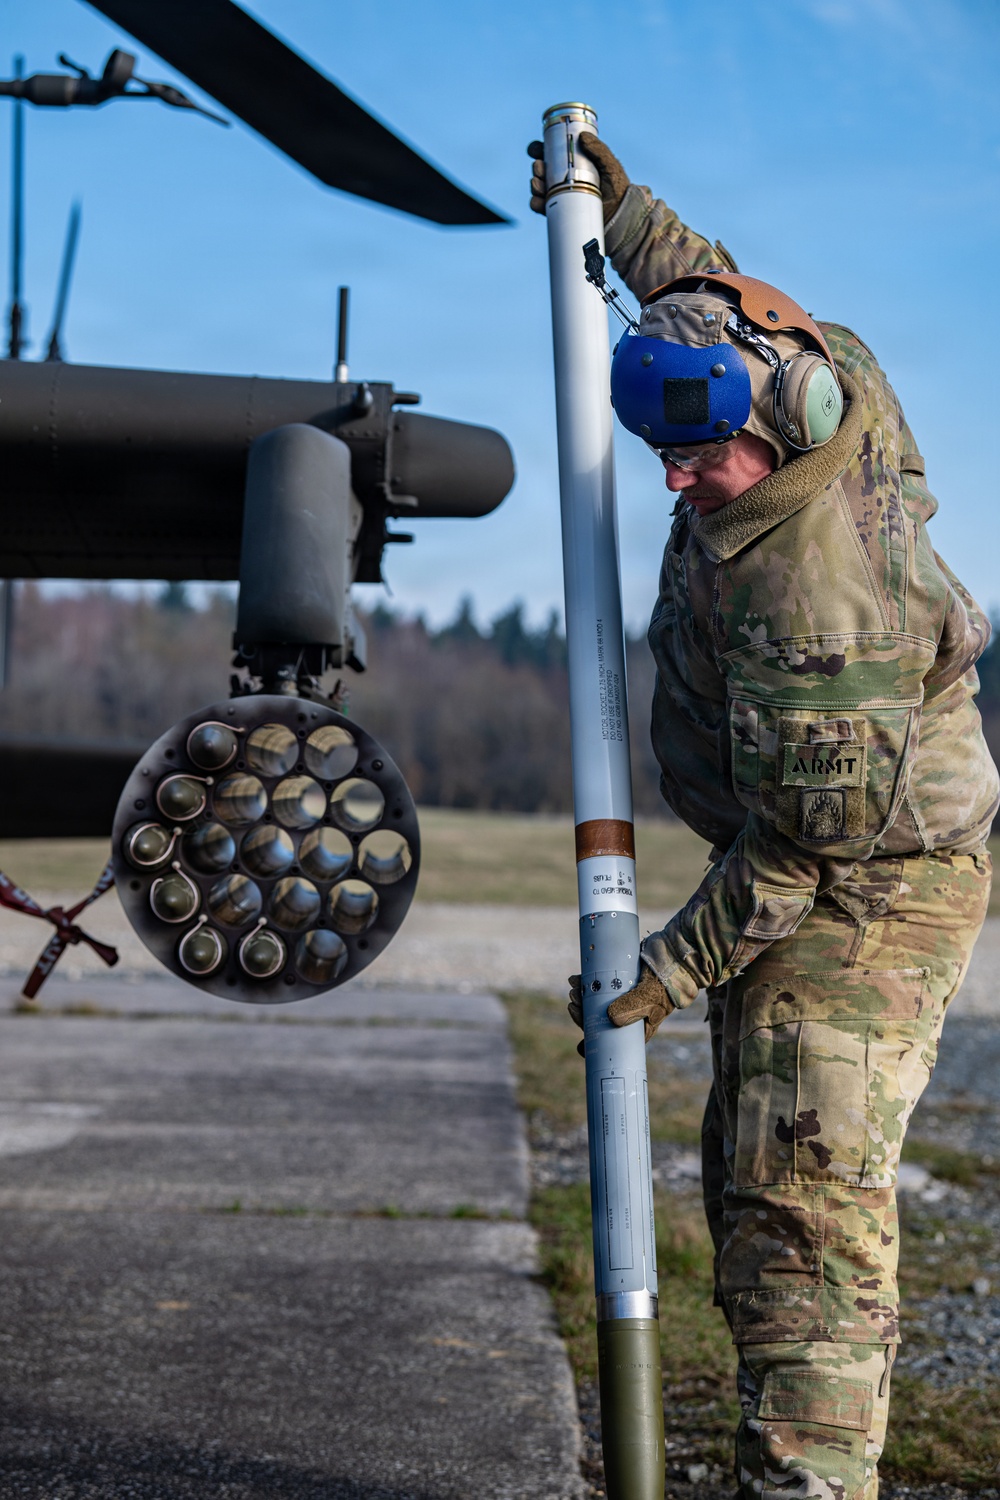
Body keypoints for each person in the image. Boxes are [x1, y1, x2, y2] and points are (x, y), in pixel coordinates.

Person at [530, 137, 998, 1500]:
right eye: (659, 452)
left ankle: (808, 1478)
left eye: (698, 462)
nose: (674, 483)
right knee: (743, 1172)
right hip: (803, 840)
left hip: (870, 882)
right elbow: (703, 284)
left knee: (805, 1197)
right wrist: (607, 205)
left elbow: (799, 855)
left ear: (766, 429)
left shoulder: (820, 610)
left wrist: (658, 979)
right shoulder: (799, 358)